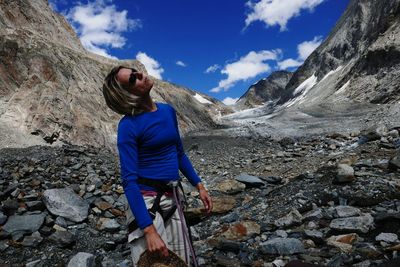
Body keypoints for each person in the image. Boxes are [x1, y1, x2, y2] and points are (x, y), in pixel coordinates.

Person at [102, 65, 213, 266]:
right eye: (133, 79)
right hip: (145, 201)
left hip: (173, 195)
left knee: (183, 261)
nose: (141, 75)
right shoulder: (128, 126)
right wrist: (148, 230)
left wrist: (199, 185)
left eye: (136, 71)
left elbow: (178, 152)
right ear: (125, 94)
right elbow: (129, 181)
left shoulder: (167, 111)